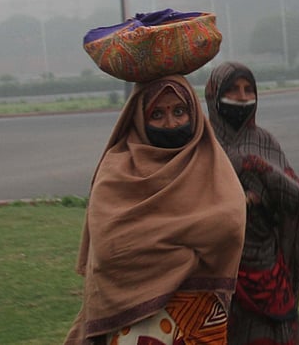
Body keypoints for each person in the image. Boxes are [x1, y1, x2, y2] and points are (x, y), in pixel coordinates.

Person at [65, 75, 247, 345]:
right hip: (134, 319)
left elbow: (229, 228)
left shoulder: (210, 164)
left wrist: (158, 246)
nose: (171, 123)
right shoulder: (117, 170)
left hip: (200, 318)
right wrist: (191, 252)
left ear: (193, 114)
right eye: (157, 114)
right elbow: (111, 250)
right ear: (139, 118)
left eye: (179, 111)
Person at [205, 62, 299, 345]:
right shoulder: (201, 144)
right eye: (232, 89)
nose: (241, 96)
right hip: (214, 270)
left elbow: (297, 199)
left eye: (248, 89)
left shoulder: (265, 143)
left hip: (265, 268)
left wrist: (261, 177)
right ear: (214, 94)